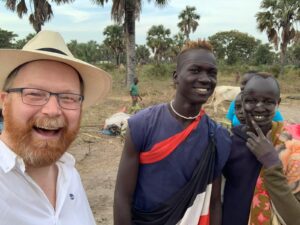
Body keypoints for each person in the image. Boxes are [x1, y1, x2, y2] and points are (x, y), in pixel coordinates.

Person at [114, 40, 231, 225]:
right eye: (195, 70)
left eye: (212, 73)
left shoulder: (217, 137)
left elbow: (214, 202)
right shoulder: (142, 125)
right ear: (176, 77)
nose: (205, 79)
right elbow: (122, 196)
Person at [0, 30, 112, 225]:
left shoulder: (70, 176)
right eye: (34, 94)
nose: (52, 110)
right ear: (4, 101)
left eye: (68, 98)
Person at [222, 72, 300, 225]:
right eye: (251, 101)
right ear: (242, 102)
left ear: (278, 103)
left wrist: (272, 164)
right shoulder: (229, 142)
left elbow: (295, 219)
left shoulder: (292, 148)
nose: (259, 107)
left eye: (268, 102)